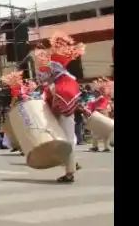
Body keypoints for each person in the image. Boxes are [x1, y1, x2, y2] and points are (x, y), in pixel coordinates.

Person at [34, 32, 85, 183]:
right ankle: (71, 164)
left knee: (66, 139)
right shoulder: (61, 81)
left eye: (45, 72)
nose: (43, 75)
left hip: (64, 112)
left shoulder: (60, 84)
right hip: (63, 112)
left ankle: (70, 172)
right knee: (61, 138)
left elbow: (56, 100)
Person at [87, 78, 113, 152]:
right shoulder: (95, 98)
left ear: (99, 92)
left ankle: (106, 147)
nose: (94, 93)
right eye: (94, 92)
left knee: (105, 132)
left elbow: (96, 100)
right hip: (97, 115)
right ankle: (95, 146)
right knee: (94, 131)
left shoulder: (103, 97)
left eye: (96, 92)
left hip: (103, 114)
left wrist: (98, 91)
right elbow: (91, 106)